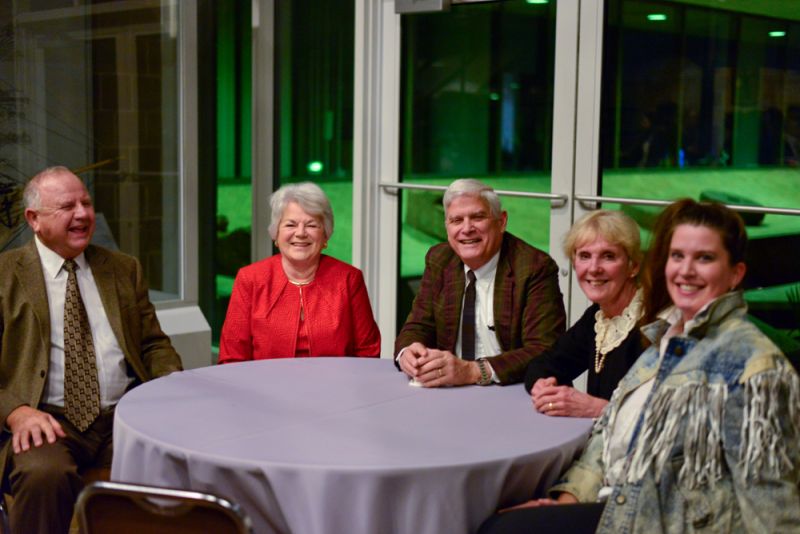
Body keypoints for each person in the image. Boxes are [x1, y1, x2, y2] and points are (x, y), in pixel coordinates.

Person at [478, 199, 800, 533]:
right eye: (678, 256)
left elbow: (773, 511)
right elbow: (609, 438)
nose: (686, 270)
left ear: (735, 274)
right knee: (498, 518)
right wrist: (567, 500)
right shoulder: (664, 340)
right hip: (622, 505)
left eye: (704, 258)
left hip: (660, 521)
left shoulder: (753, 366)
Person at [0, 166, 183, 534]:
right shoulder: (5, 275)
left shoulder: (122, 268)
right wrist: (16, 411)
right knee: (43, 475)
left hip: (123, 416)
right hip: (46, 419)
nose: (83, 214)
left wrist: (172, 384)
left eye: (86, 202)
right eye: (67, 206)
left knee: (178, 460)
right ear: (33, 219)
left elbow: (152, 345)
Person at [395, 178, 565, 386]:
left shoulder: (534, 267)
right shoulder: (439, 259)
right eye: (456, 220)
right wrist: (408, 351)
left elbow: (543, 348)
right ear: (446, 226)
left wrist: (473, 371)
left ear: (501, 221)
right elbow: (418, 324)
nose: (467, 229)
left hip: (513, 388)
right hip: (450, 389)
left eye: (477, 217)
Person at [219, 182, 380, 361]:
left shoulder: (349, 279)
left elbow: (368, 352)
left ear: (325, 235)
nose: (301, 233)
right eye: (290, 225)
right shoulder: (250, 279)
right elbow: (232, 357)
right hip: (264, 387)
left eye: (311, 225)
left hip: (335, 386)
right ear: (276, 234)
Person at [525, 210, 643, 418]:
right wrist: (543, 386)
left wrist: (597, 409)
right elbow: (544, 365)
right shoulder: (597, 317)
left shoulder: (652, 325)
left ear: (633, 266)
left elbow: (666, 416)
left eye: (609, 256)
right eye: (585, 256)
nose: (594, 268)